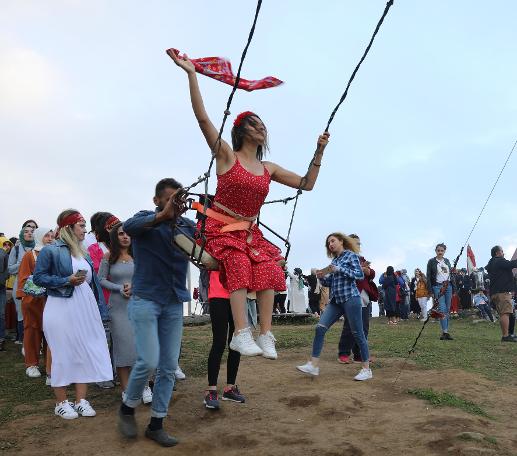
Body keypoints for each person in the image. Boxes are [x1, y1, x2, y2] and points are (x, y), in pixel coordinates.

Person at [168, 49, 330, 359]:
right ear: (242, 131)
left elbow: (307, 184)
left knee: (270, 267)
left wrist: (319, 150)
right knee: (239, 264)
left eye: (262, 125)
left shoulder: (268, 168)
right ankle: (242, 332)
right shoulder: (227, 156)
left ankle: (265, 333)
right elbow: (203, 119)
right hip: (221, 228)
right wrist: (191, 74)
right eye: (254, 125)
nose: (261, 128)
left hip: (249, 233)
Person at [117, 178, 194, 447]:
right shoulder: (144, 219)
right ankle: (127, 408)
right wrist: (163, 216)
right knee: (148, 361)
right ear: (157, 200)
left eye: (180, 199)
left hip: (173, 302)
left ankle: (156, 423)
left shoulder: (188, 226)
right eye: (172, 198)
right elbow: (129, 227)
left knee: (168, 366)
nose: (177, 203)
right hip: (146, 300)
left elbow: (208, 247)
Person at [33, 210, 112, 419]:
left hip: (84, 307)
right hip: (61, 305)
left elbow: (92, 283)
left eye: (85, 226)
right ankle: (61, 402)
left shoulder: (83, 253)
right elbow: (38, 278)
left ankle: (81, 400)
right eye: (81, 225)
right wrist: (65, 280)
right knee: (61, 351)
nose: (85, 230)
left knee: (84, 350)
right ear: (69, 228)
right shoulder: (51, 250)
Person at [296, 232, 371, 381]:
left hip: (351, 297)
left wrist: (339, 269)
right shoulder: (335, 261)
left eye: (333, 241)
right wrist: (322, 277)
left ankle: (366, 369)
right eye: (328, 243)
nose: (330, 244)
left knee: (358, 333)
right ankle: (314, 365)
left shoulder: (351, 256)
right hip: (336, 300)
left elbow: (359, 275)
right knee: (320, 328)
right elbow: (329, 283)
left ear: (341, 241)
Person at [97, 223, 153, 404]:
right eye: (121, 234)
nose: (125, 237)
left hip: (139, 305)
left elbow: (148, 277)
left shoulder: (139, 256)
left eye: (128, 234)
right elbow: (101, 280)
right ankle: (126, 390)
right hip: (118, 308)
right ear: (115, 236)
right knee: (122, 349)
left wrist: (137, 286)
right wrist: (119, 288)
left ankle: (144, 387)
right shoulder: (108, 257)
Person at [204, 271, 245, 410]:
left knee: (236, 342)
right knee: (219, 342)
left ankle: (230, 389)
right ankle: (211, 390)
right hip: (218, 294)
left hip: (238, 293)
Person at [17, 227, 54, 377]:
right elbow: (24, 278)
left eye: (52, 236)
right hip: (33, 301)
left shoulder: (55, 255)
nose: (50, 238)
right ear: (39, 237)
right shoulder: (29, 256)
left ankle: (50, 366)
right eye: (46, 236)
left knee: (50, 332)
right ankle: (31, 364)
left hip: (51, 300)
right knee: (32, 331)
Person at [337, 234, 374, 364]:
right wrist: (361, 269)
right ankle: (344, 353)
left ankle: (359, 354)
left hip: (364, 297)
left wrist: (367, 270)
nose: (358, 246)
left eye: (359, 243)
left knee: (364, 327)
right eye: (355, 243)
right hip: (351, 297)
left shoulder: (362, 258)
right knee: (349, 327)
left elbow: (371, 273)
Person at [8, 221, 37, 345]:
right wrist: (24, 262)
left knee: (36, 312)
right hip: (20, 284)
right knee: (21, 313)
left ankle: (34, 341)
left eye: (32, 231)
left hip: (37, 285)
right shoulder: (16, 248)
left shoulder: (39, 248)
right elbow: (10, 268)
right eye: (26, 231)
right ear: (21, 234)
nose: (29, 233)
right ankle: (22, 339)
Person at [486, 245, 517, 342]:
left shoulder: (493, 263)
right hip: (502, 292)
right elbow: (512, 264)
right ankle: (505, 336)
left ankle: (510, 334)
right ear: (497, 253)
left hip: (497, 292)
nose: (504, 253)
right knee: (505, 313)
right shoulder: (498, 260)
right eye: (502, 251)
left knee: (510, 314)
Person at [426, 243, 454, 340]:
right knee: (442, 308)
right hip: (437, 287)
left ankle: (446, 331)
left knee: (447, 309)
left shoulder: (447, 261)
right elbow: (428, 277)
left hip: (448, 286)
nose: (440, 252)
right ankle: (445, 332)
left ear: (444, 251)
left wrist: (454, 287)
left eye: (442, 250)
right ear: (436, 251)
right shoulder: (431, 262)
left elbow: (450, 274)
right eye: (438, 250)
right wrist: (430, 290)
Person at [0, 236, 14, 352]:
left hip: (1, 288)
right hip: (2, 287)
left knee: (1, 313)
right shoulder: (4, 255)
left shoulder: (5, 255)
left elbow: (7, 272)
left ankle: (1, 338)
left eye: (9, 245)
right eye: (5, 245)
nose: (7, 247)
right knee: (1, 314)